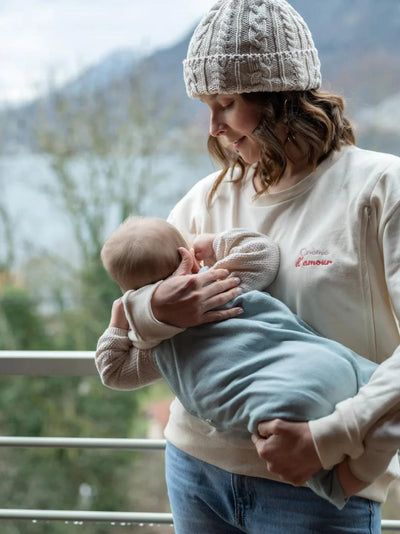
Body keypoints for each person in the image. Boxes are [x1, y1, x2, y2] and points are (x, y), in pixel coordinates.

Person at [102, 0, 400, 532]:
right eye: (206, 105)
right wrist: (155, 313)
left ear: (282, 95)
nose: (213, 126)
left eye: (227, 102)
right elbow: (135, 326)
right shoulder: (202, 200)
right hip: (194, 472)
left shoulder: (380, 189)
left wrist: (325, 440)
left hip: (316, 487)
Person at [96, 215, 383, 509]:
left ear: (129, 293)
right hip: (325, 365)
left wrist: (119, 321)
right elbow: (264, 254)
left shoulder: (159, 350)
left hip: (278, 411)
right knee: (370, 384)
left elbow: (113, 370)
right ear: (190, 259)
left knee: (301, 457)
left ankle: (337, 482)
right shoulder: (223, 283)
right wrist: (215, 243)